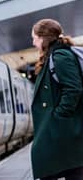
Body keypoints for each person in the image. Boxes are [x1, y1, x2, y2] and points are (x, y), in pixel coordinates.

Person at [31, 18, 83, 180]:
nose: (33, 42)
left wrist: (59, 116)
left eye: (34, 38)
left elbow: (73, 88)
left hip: (64, 128)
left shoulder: (60, 55)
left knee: (68, 170)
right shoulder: (53, 55)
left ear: (42, 38)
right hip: (62, 130)